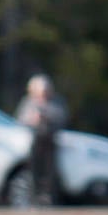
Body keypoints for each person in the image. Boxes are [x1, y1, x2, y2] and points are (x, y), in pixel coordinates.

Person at [15, 73, 67, 207]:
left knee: (50, 173)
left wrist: (46, 117)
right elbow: (20, 119)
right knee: (33, 172)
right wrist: (32, 119)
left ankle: (48, 199)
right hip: (33, 142)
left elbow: (62, 118)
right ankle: (34, 198)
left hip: (50, 142)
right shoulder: (28, 102)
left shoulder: (56, 102)